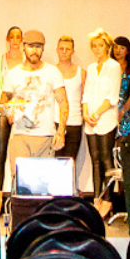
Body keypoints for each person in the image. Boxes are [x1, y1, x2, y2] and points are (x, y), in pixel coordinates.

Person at [0, 30, 66, 192]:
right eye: (31, 46)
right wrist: (10, 111)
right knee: (20, 184)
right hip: (21, 136)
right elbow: (3, 101)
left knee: (43, 187)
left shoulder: (52, 72)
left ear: (43, 48)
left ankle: (42, 217)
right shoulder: (13, 74)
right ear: (24, 47)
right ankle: (20, 216)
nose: (34, 50)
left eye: (38, 46)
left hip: (46, 136)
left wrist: (61, 131)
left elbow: (63, 102)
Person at [81, 30, 122, 202]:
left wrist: (97, 113)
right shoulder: (91, 67)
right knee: (95, 160)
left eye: (100, 45)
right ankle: (96, 199)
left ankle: (108, 200)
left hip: (106, 119)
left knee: (106, 159)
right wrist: (85, 114)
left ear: (107, 46)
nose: (97, 49)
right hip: (90, 120)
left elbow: (112, 96)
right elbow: (87, 94)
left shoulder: (114, 66)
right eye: (94, 46)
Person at [0, 26, 25, 205]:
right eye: (12, 37)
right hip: (3, 111)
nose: (15, 40)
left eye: (18, 37)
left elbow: (28, 88)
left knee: (22, 154)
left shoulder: (27, 60)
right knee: (1, 154)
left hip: (22, 112)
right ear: (7, 39)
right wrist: (7, 108)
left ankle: (21, 196)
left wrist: (16, 109)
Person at [52, 34, 84, 170]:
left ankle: (69, 191)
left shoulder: (81, 72)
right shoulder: (51, 71)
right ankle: (55, 192)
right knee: (55, 162)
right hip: (54, 122)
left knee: (70, 163)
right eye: (61, 49)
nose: (64, 52)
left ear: (73, 51)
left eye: (67, 49)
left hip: (75, 122)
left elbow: (84, 98)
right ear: (57, 50)